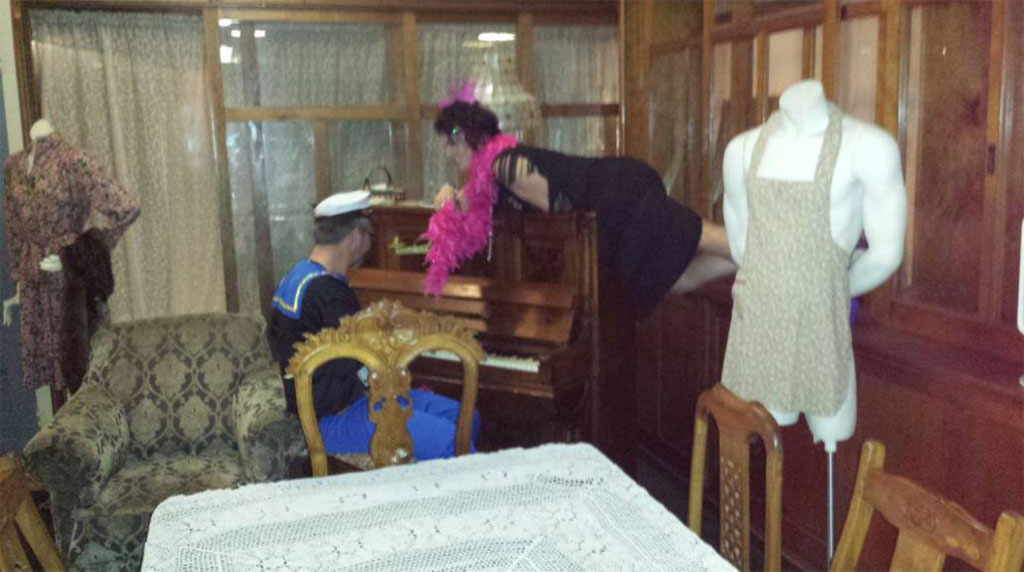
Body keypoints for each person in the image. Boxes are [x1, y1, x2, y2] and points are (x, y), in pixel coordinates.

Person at [720, 79, 906, 450]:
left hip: (822, 333)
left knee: (829, 431)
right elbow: (743, 250)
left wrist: (827, 287)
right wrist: (805, 284)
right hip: (758, 332)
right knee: (757, 435)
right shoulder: (740, 150)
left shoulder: (867, 147)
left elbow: (887, 255)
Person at [426, 100, 737, 320]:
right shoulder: (494, 171)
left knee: (693, 234)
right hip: (606, 207)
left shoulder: (505, 166)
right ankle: (746, 260)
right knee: (657, 284)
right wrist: (451, 192)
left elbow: (563, 210)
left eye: (449, 142)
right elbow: (475, 197)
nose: (445, 151)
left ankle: (754, 246)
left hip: (618, 193)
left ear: (469, 137)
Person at [266, 190, 479, 460]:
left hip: (340, 402)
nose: (369, 243)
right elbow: (368, 362)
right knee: (451, 439)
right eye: (370, 235)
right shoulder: (329, 292)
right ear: (356, 235)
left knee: (465, 416)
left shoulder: (297, 276)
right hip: (333, 419)